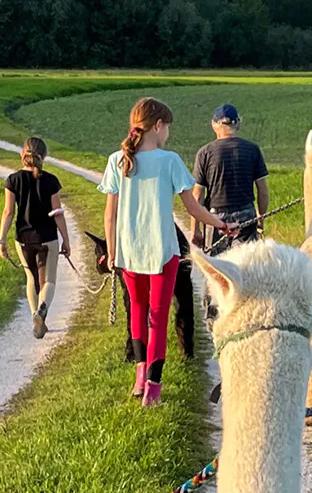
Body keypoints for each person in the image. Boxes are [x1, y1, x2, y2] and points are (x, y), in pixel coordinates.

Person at [100, 97, 236, 407]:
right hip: (162, 250)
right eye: (168, 128)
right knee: (158, 317)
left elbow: (110, 213)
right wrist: (221, 224)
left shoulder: (116, 161)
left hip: (129, 252)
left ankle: (138, 377)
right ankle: (153, 388)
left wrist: (111, 251)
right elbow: (193, 207)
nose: (168, 135)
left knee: (137, 310)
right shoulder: (170, 160)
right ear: (158, 126)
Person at [0, 137, 70, 339]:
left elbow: (8, 212)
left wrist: (1, 240)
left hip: (23, 239)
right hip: (47, 238)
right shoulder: (51, 180)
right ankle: (42, 312)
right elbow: (57, 213)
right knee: (49, 282)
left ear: (23, 154)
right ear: (44, 157)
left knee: (31, 278)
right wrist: (66, 239)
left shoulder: (13, 180)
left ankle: (34, 317)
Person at [191, 103, 270, 254]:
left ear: (214, 125)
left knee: (217, 269)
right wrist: (261, 217)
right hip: (246, 215)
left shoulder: (205, 153)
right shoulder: (252, 150)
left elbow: (198, 195)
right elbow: (263, 191)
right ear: (238, 124)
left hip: (215, 218)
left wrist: (196, 229)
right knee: (246, 266)